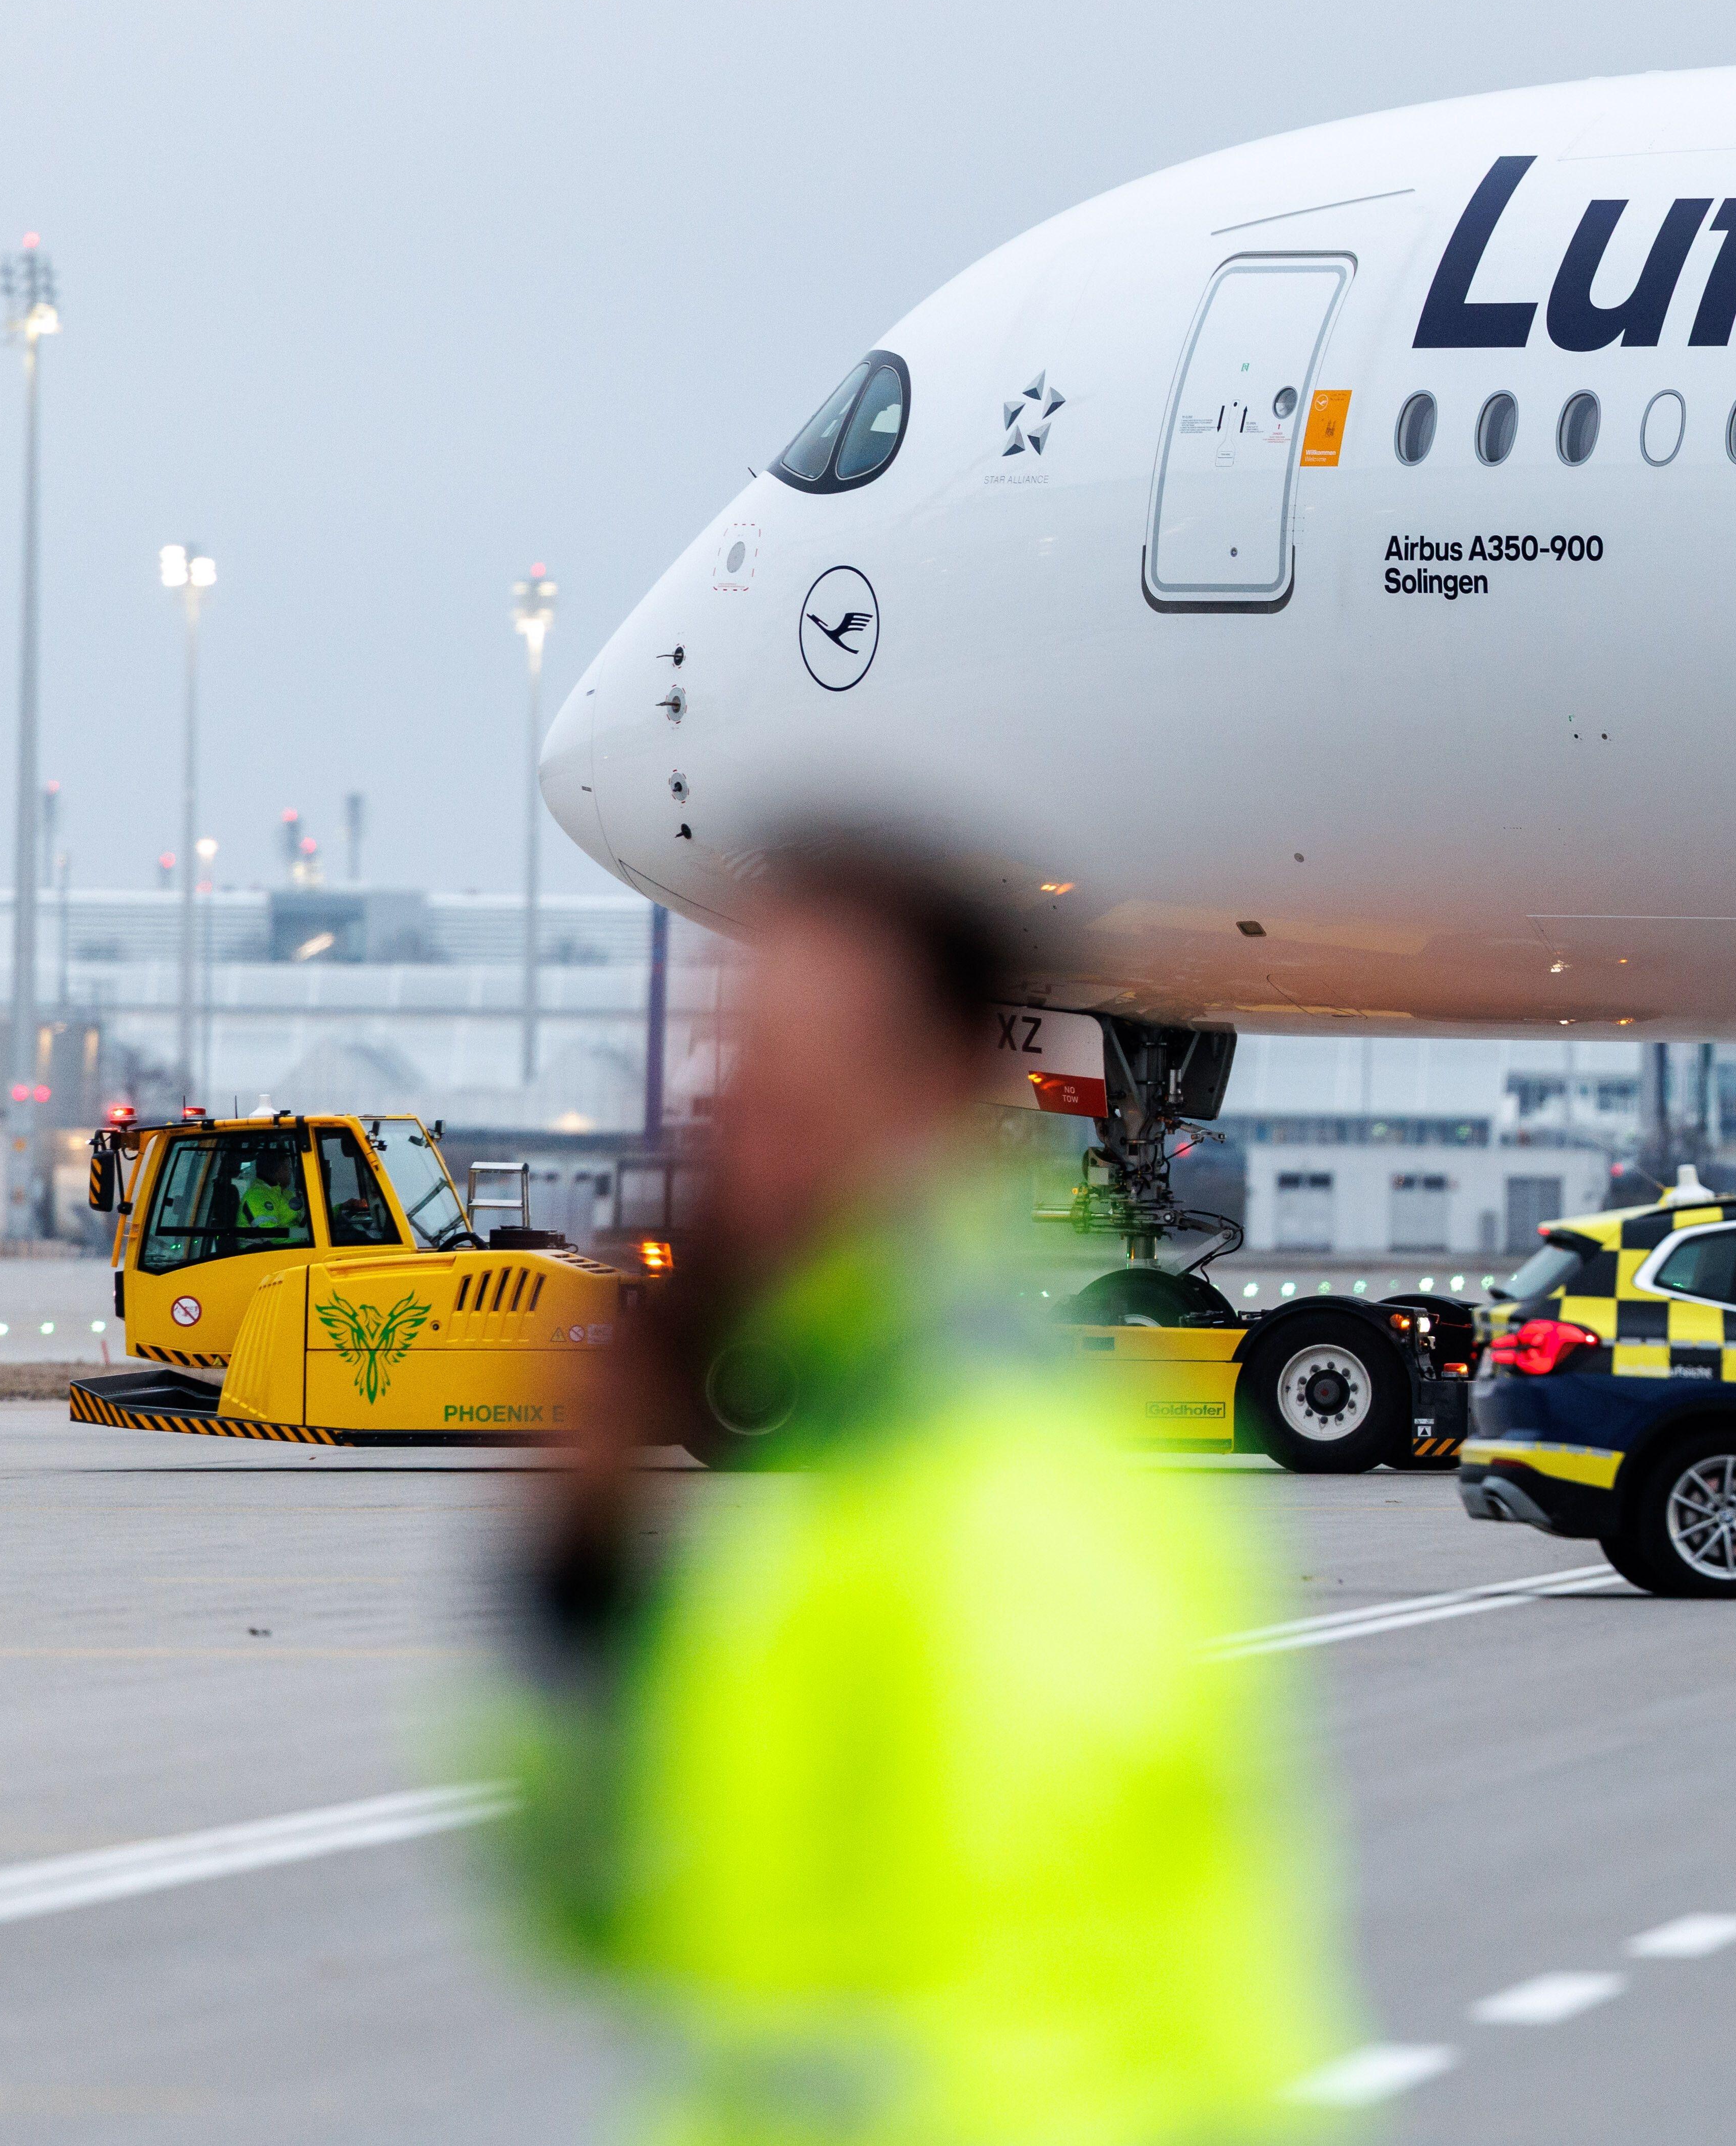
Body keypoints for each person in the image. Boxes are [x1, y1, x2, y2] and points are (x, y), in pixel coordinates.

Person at [492, 831, 1355, 2145]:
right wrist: (575, 1566)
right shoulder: (840, 1468)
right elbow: (601, 1898)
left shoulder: (1006, 1495)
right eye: (740, 1073)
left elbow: (1045, 2020)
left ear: (953, 1090)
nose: (748, 1130)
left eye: (807, 1077)